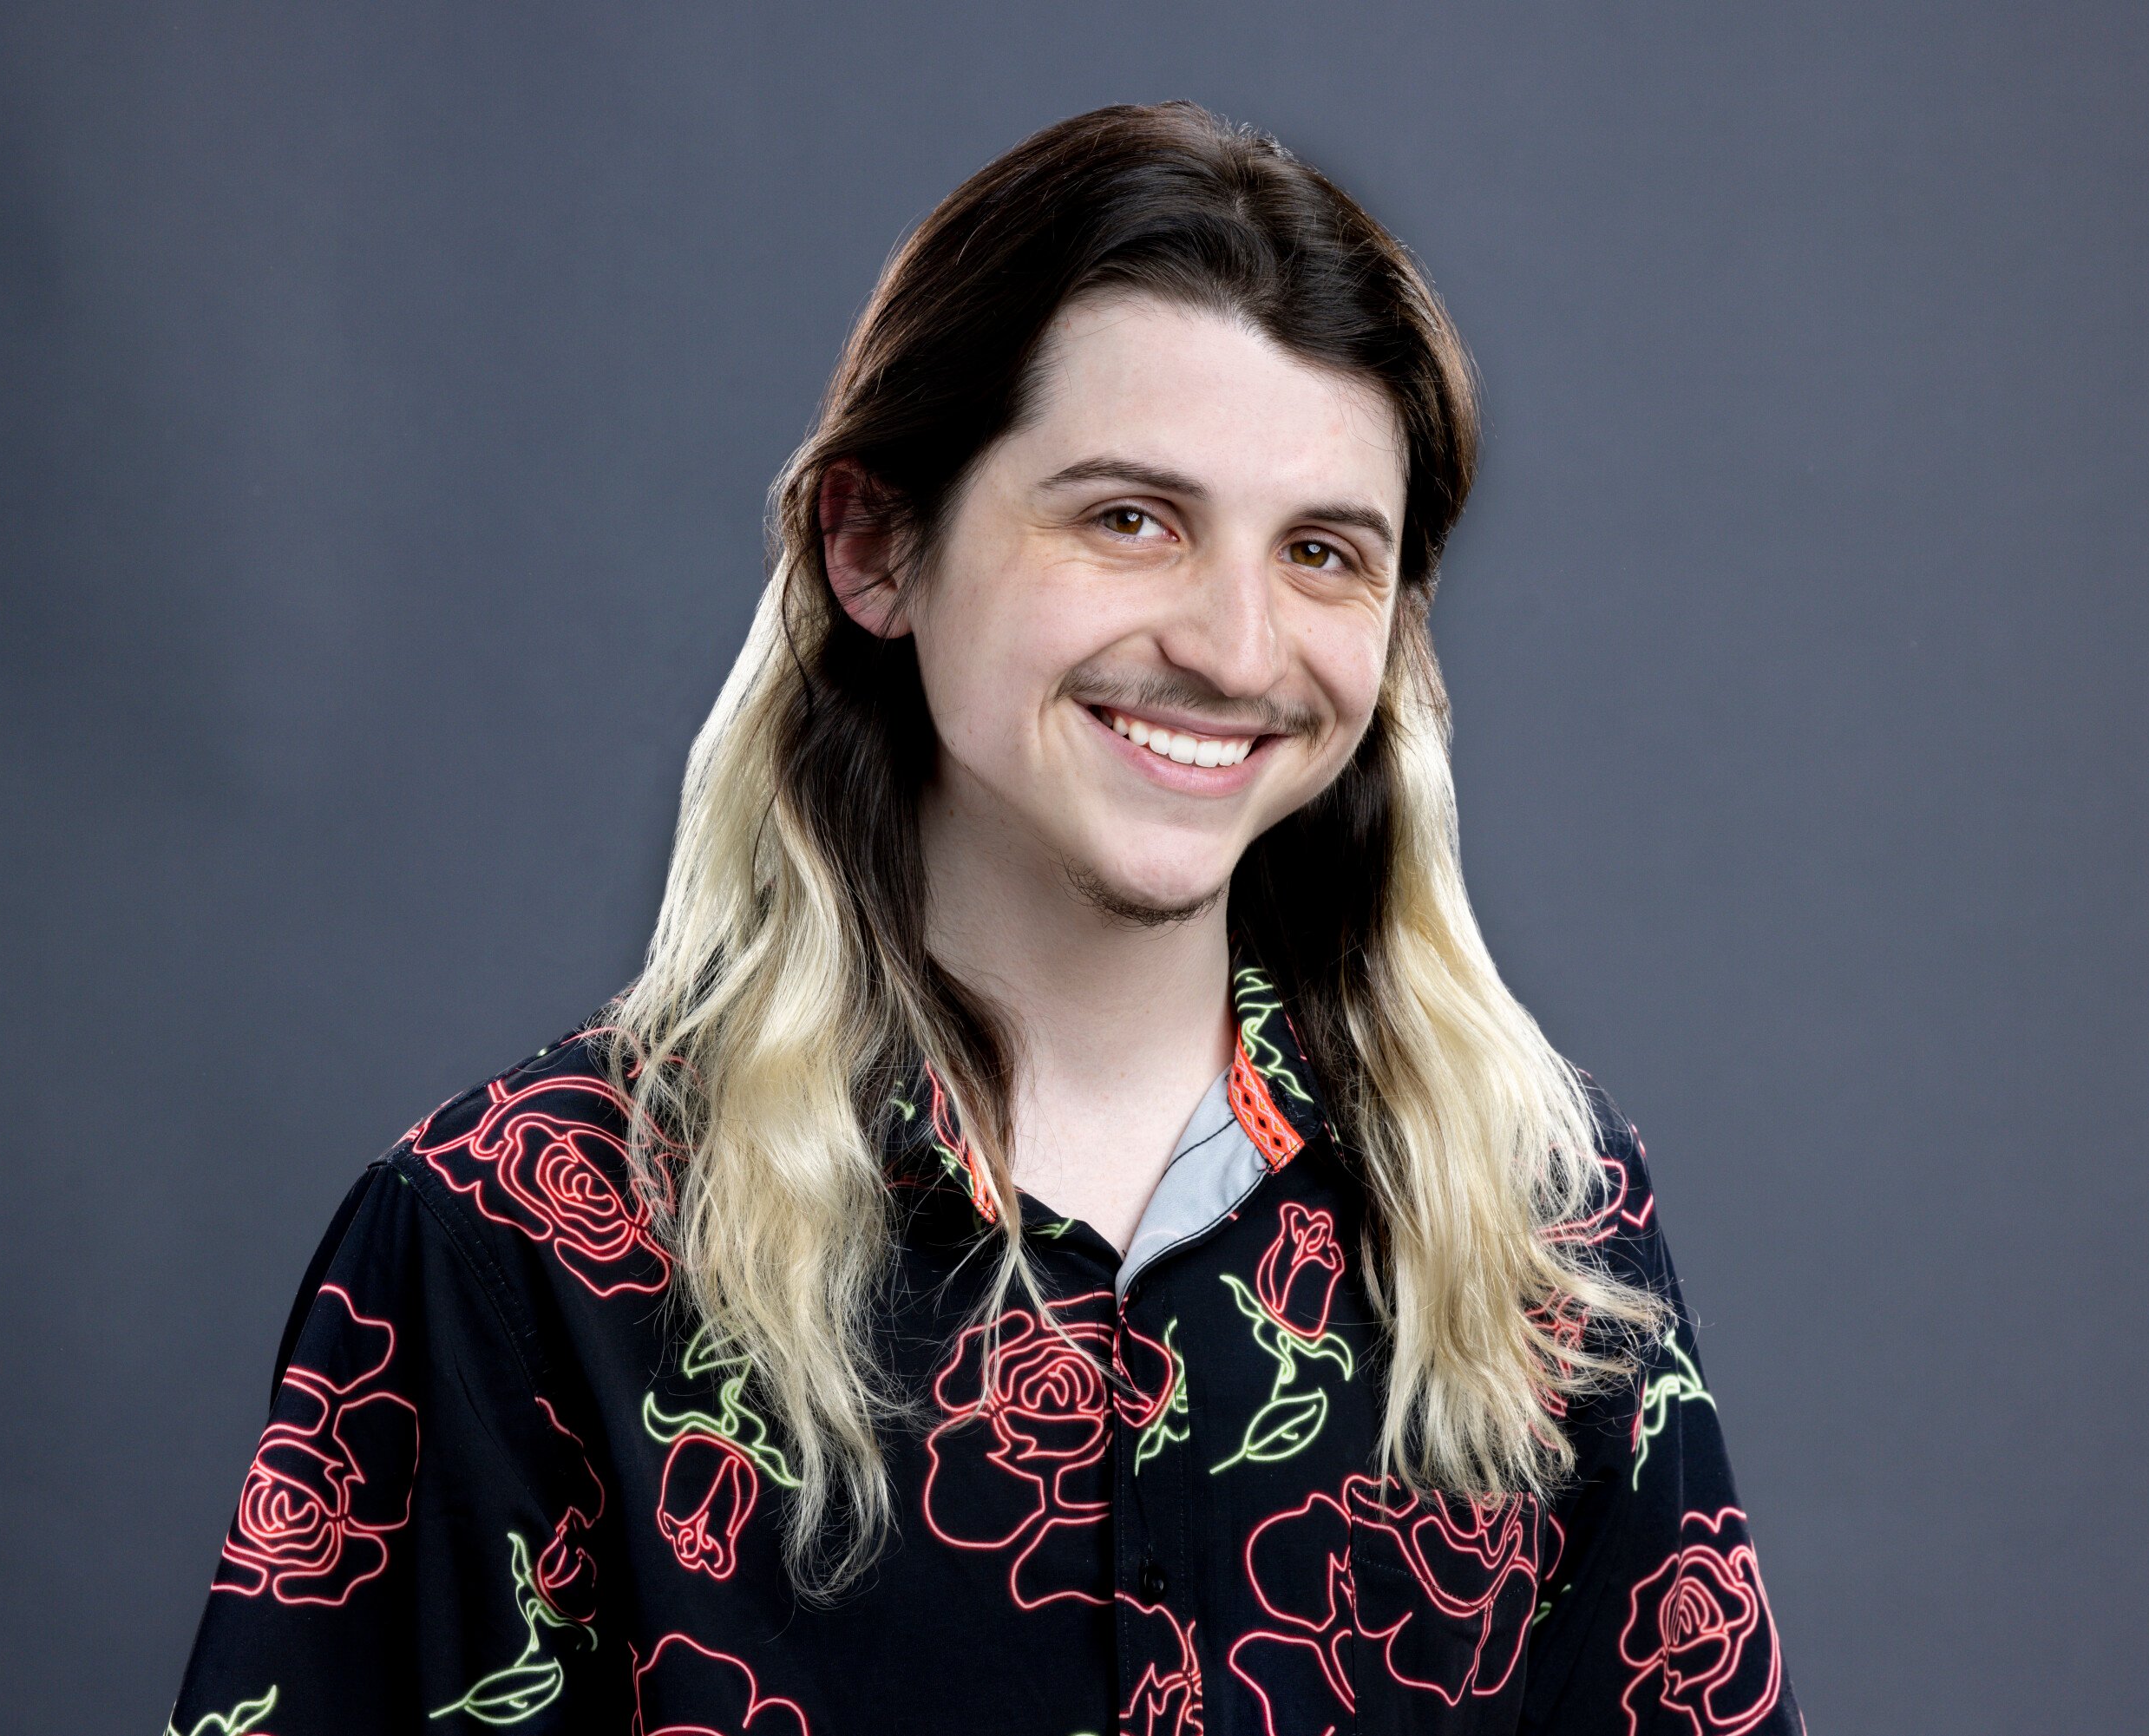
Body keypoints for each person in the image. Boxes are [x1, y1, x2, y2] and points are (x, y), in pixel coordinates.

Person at [167, 101, 1801, 1736]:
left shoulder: (1535, 1231)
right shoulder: (516, 1245)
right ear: (877, 545)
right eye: (1127, 517)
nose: (1238, 649)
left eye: (1322, 553)